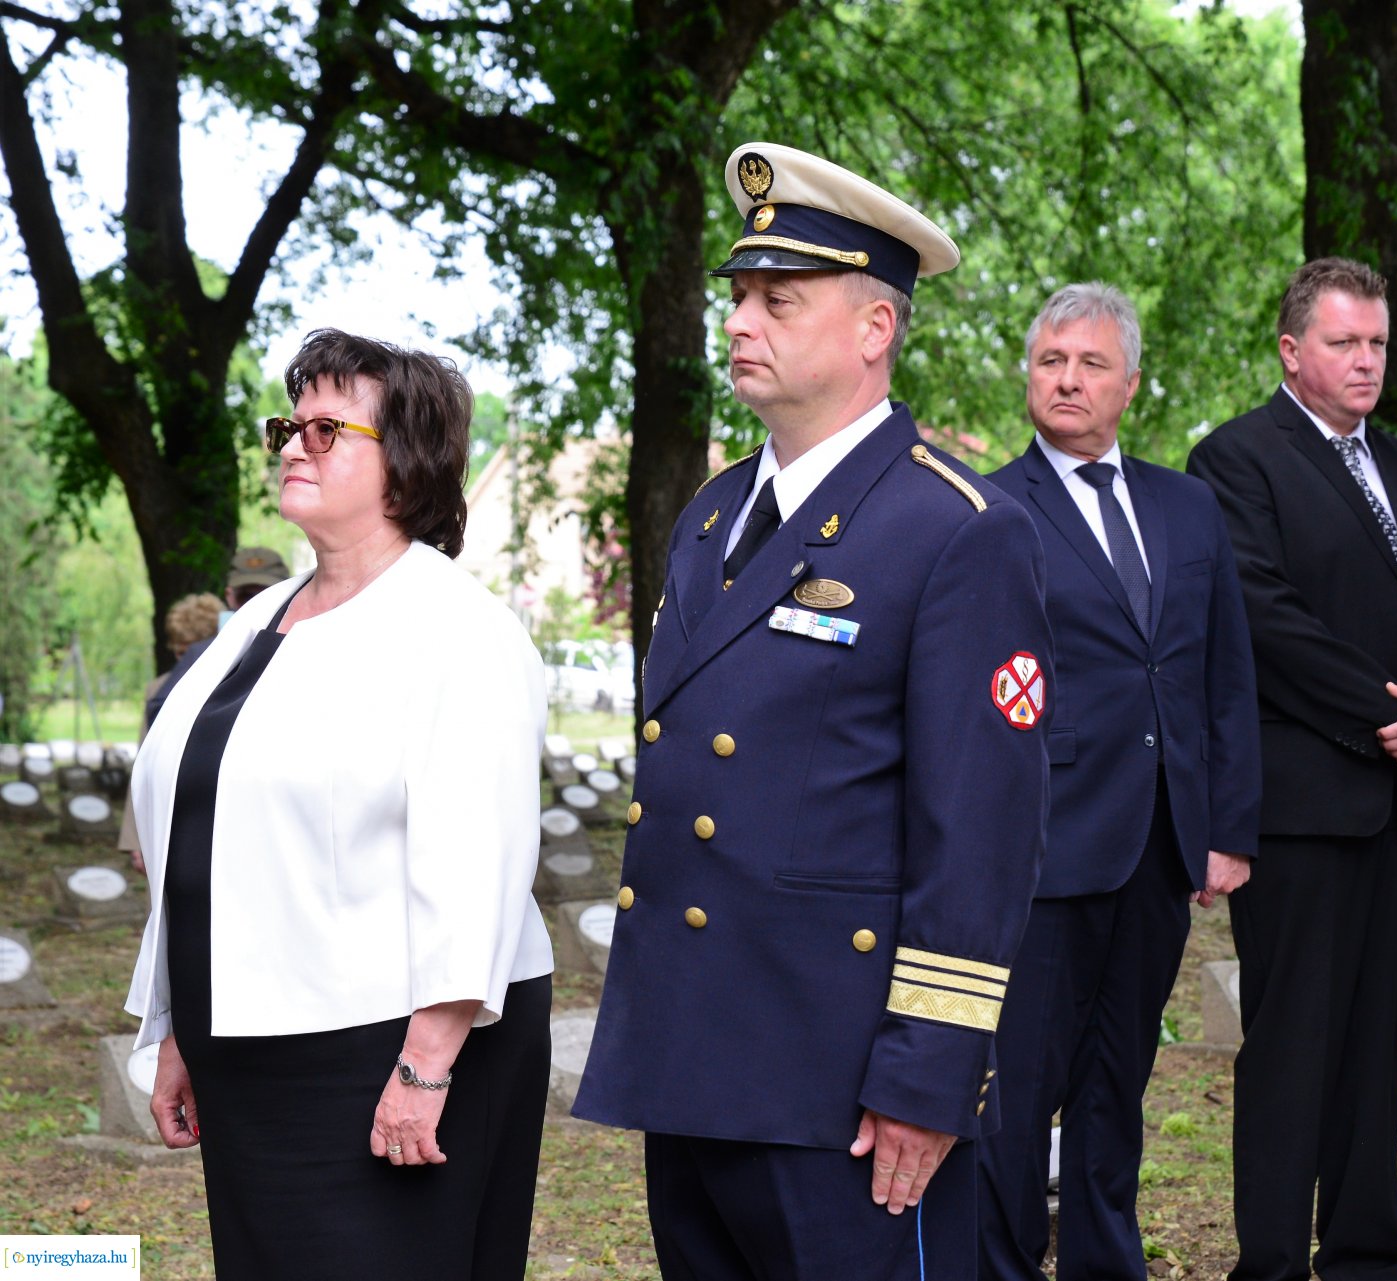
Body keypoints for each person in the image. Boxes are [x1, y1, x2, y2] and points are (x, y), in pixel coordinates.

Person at [571, 142, 1052, 1281]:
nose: (741, 323)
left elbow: (979, 836)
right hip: (697, 1055)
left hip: (843, 1079)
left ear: (875, 329)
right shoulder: (711, 516)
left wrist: (930, 1071)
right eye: (738, 297)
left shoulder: (956, 529)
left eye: (779, 301)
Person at [123, 329, 554, 1280]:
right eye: (290, 424)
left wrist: (424, 1065)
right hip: (253, 1050)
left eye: (326, 429)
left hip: (388, 1053)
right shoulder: (253, 622)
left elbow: (477, 861)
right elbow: (205, 830)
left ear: (405, 460)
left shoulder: (457, 631)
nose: (291, 446)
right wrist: (179, 1030)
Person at [1187, 256, 1397, 1281]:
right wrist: (1389, 718)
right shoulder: (1235, 460)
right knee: (1290, 1049)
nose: (1366, 362)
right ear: (1291, 351)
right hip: (1304, 810)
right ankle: (1271, 1262)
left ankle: (1365, 1255)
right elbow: (1266, 621)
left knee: (1377, 1047)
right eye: (1343, 343)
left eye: (1376, 343)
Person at [978, 282, 1260, 1280]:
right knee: (1018, 1088)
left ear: (1129, 384)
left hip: (1160, 843)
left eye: (1091, 364)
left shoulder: (1187, 507)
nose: (1068, 379)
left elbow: (1222, 671)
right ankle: (1004, 1264)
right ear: (1028, 375)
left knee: (1116, 1081)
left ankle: (1104, 1263)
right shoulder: (989, 508)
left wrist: (1229, 826)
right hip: (1042, 845)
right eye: (1052, 360)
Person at [119, 592, 225, 873]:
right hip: (167, 822)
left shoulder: (235, 687)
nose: (185, 661)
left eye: (192, 649)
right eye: (179, 653)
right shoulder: (159, 691)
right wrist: (136, 839)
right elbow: (144, 764)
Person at [144, 547, 293, 729]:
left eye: (268, 593)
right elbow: (161, 718)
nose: (257, 602)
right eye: (246, 596)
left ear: (291, 593)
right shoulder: (204, 655)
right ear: (230, 597)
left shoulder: (312, 648)